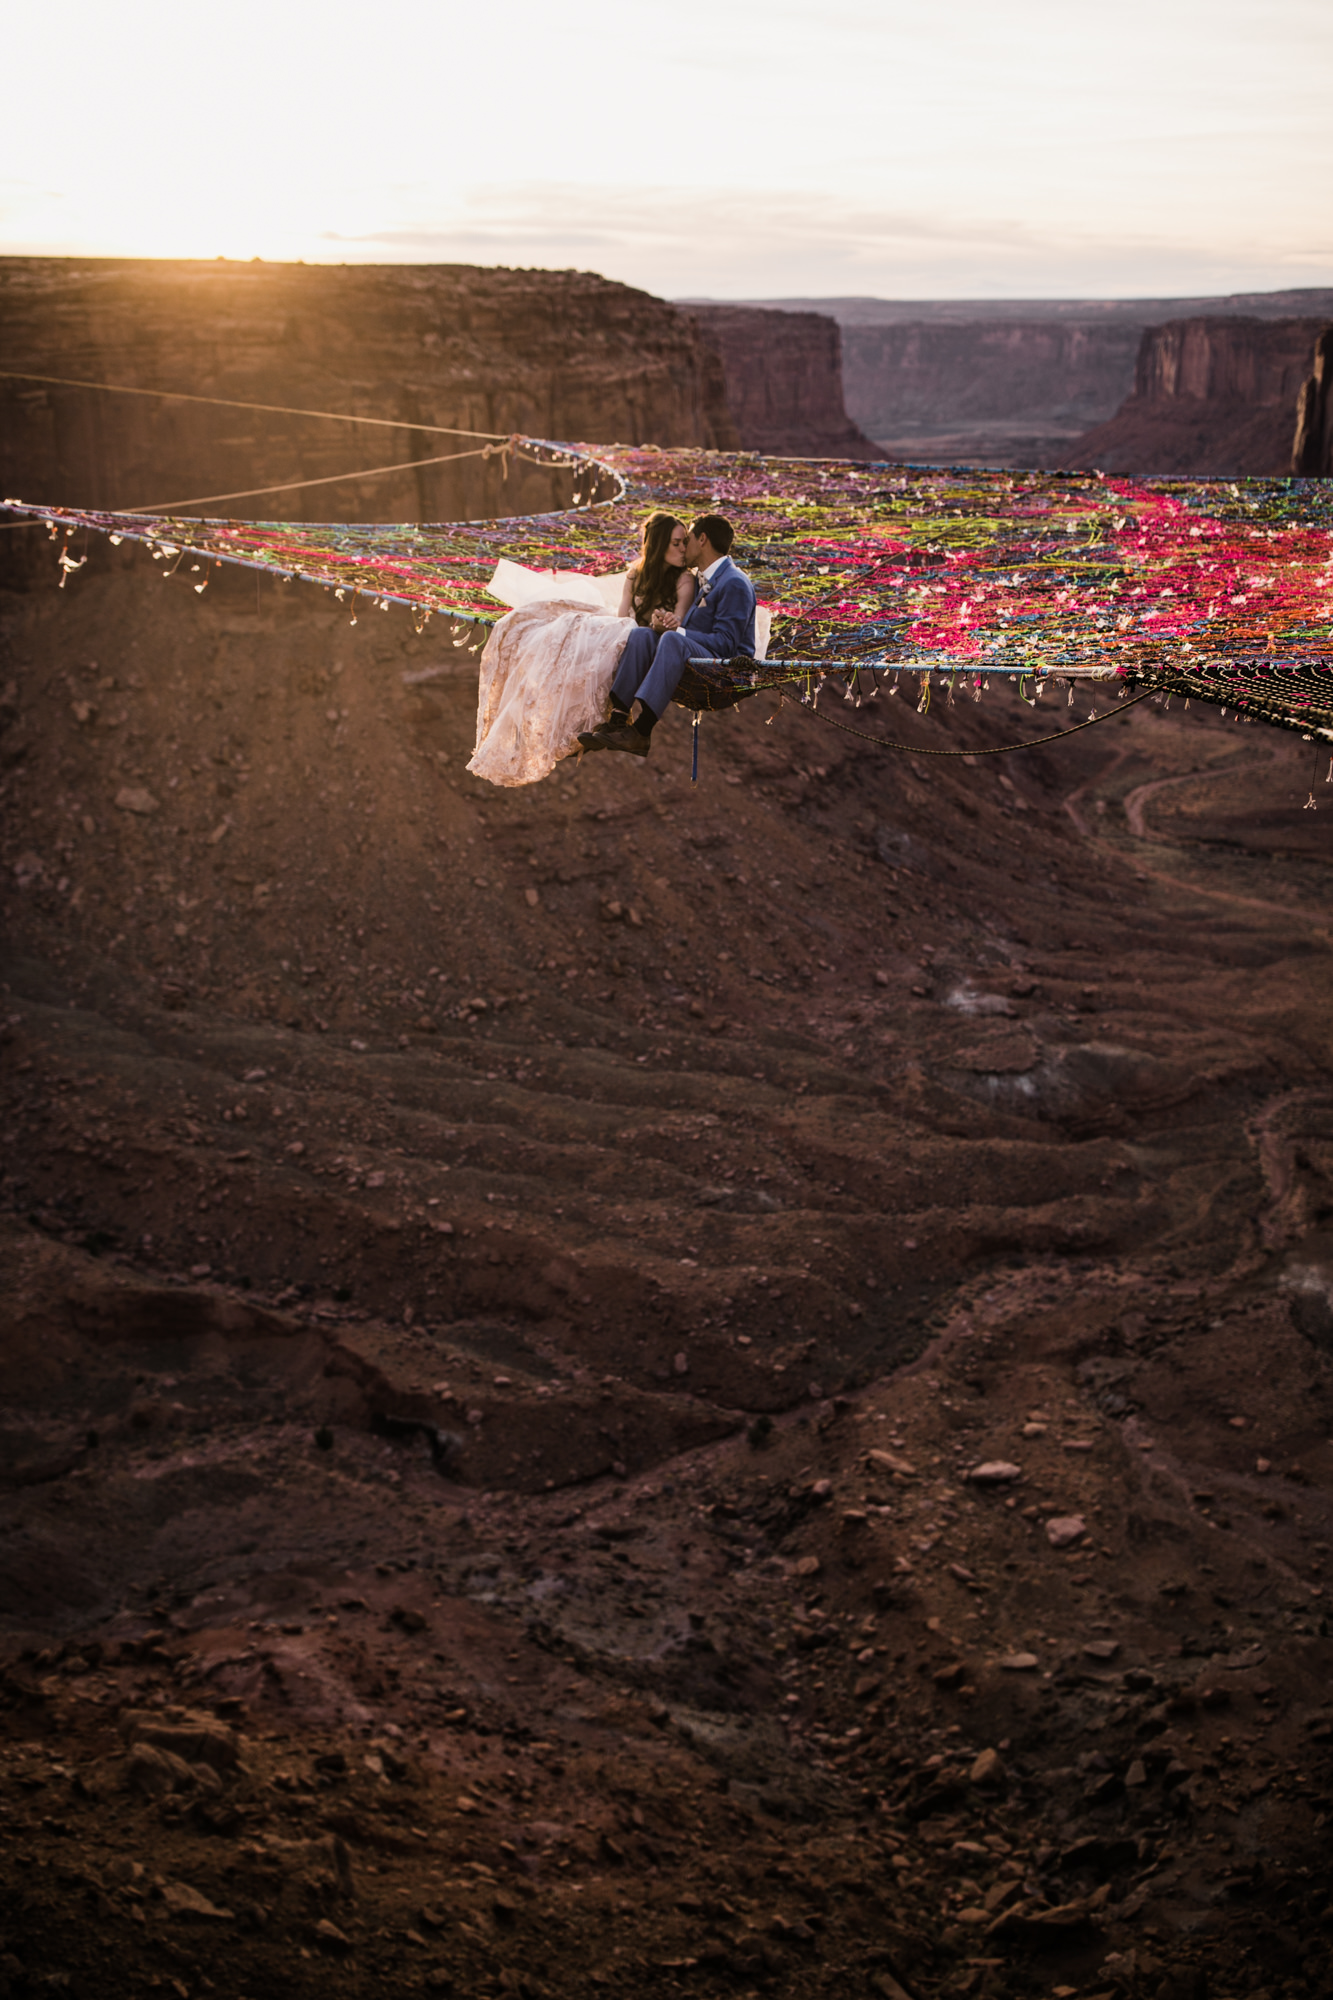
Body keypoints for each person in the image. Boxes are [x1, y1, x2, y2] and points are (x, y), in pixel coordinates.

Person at [466, 512, 693, 787]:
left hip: (657, 641)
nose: (683, 550)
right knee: (564, 629)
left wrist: (662, 623)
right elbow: (622, 617)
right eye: (677, 543)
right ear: (658, 545)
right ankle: (583, 720)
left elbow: (680, 621)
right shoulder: (636, 574)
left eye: (685, 543)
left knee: (625, 637)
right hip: (631, 632)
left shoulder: (685, 580)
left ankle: (607, 721)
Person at [577, 514, 756, 760]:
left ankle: (641, 730)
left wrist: (678, 632)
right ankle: (618, 719)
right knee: (642, 635)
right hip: (700, 657)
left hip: (725, 673)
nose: (685, 547)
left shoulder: (734, 582)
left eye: (689, 539)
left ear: (702, 540)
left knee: (672, 640)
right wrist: (666, 624)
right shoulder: (706, 578)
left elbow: (726, 644)